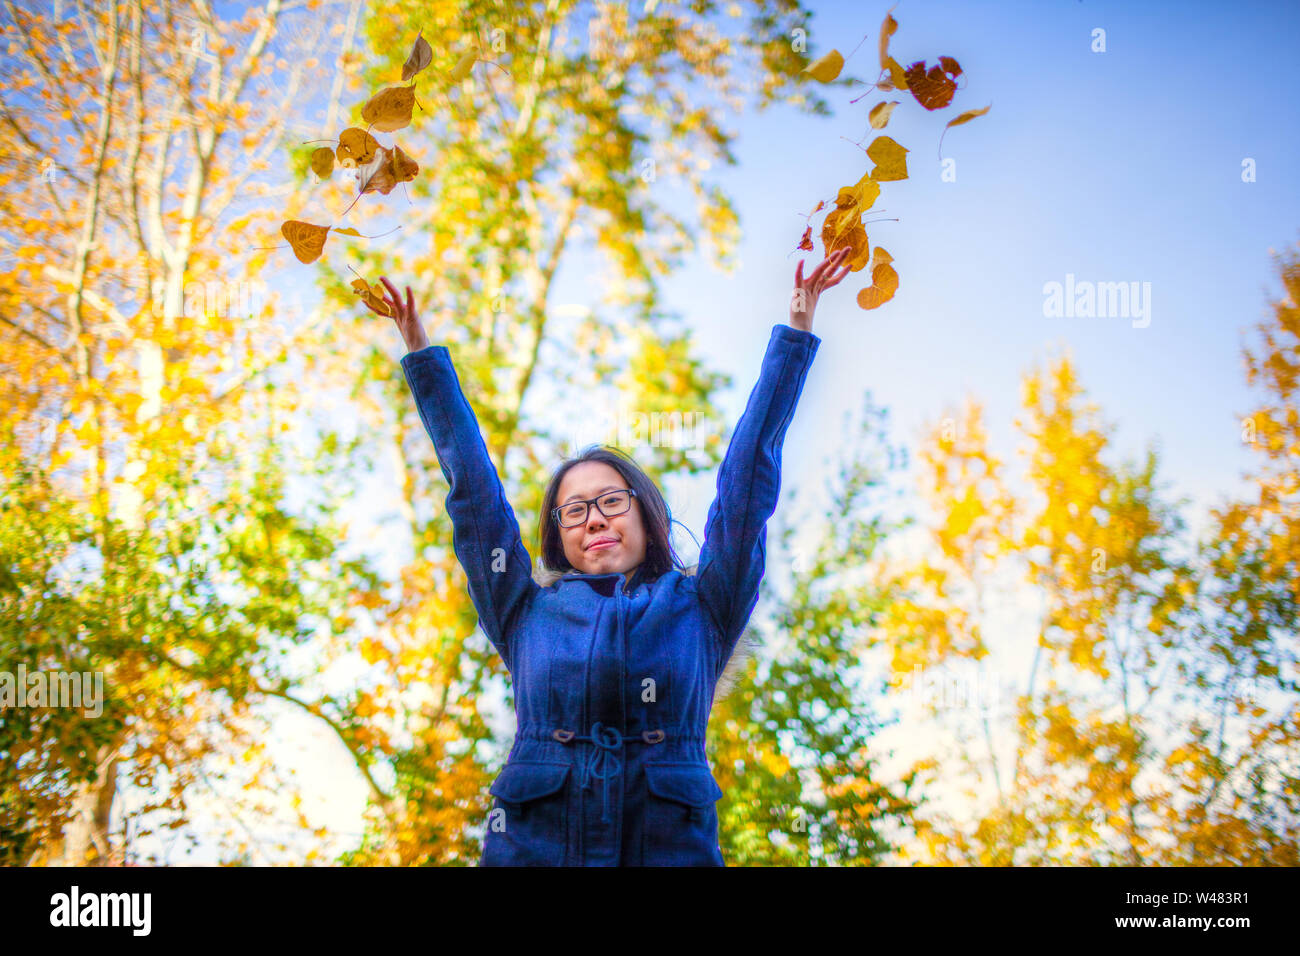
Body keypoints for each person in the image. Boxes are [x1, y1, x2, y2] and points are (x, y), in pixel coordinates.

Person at [367, 246, 851, 865]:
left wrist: (795, 335)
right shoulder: (524, 612)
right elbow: (476, 500)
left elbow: (746, 487)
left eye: (610, 500)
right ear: (559, 533)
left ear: (646, 514)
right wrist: (422, 355)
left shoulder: (704, 607)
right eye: (573, 509)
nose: (593, 516)